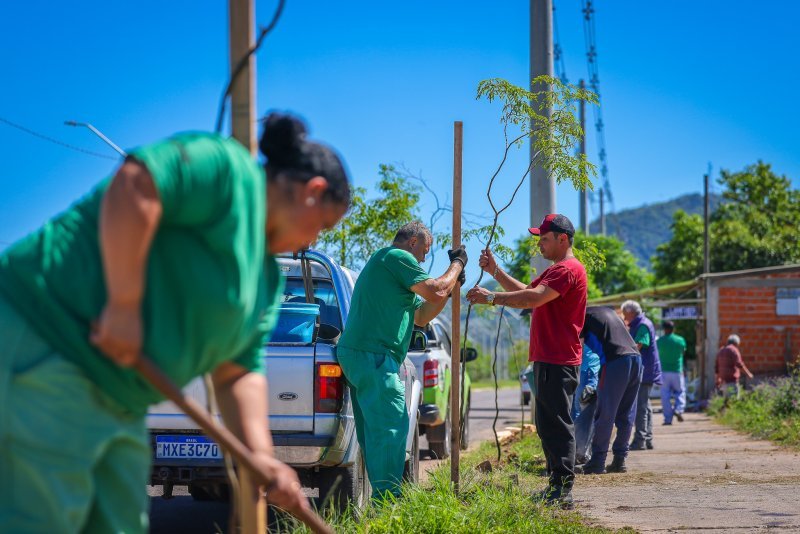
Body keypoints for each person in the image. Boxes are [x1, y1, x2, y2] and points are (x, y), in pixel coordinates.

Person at [0, 113, 349, 532]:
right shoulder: (227, 173)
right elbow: (137, 183)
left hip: (119, 395)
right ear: (312, 192)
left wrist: (260, 456)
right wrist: (124, 305)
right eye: (322, 225)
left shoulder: (264, 280)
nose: (312, 240)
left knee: (119, 521)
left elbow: (240, 373)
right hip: (47, 335)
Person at [337, 221, 466, 499]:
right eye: (424, 251)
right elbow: (435, 289)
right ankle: (388, 508)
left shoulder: (391, 271)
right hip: (374, 356)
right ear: (413, 242)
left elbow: (422, 316)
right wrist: (456, 266)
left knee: (375, 437)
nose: (423, 258)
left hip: (363, 355)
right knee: (391, 431)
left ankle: (380, 502)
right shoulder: (396, 257)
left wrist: (451, 288)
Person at [467, 214, 587, 509]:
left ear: (562, 239)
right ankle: (556, 488)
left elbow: (532, 299)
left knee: (557, 425)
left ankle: (562, 491)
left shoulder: (566, 270)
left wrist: (491, 298)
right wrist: (496, 272)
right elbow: (527, 292)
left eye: (544, 239)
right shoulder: (556, 271)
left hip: (558, 359)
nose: (540, 245)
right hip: (550, 359)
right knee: (547, 425)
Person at [578, 306, 643, 475]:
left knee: (605, 412)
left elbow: (576, 346)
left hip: (615, 361)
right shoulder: (604, 311)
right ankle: (619, 461)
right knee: (626, 413)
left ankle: (597, 461)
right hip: (635, 358)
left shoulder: (579, 316)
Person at [621, 300, 662, 451]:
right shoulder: (641, 323)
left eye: (625, 315)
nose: (625, 318)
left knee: (640, 407)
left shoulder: (642, 325)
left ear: (631, 312)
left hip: (644, 370)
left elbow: (638, 345)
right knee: (646, 406)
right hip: (646, 369)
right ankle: (647, 438)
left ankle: (639, 440)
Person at [574, 343, 601, 466]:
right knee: (584, 412)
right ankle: (580, 452)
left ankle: (581, 452)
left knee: (582, 412)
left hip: (587, 370)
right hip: (587, 370)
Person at [657, 320, 687, 425]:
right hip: (677, 371)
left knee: (665, 395)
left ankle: (668, 419)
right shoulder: (680, 340)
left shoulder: (659, 341)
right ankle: (678, 410)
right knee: (680, 392)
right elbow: (683, 352)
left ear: (664, 329)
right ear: (673, 329)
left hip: (664, 371)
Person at [715, 334, 753, 399]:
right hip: (732, 382)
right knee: (733, 403)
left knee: (726, 404)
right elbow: (739, 364)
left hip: (723, 383)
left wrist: (717, 380)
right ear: (736, 343)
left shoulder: (721, 351)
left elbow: (716, 369)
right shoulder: (733, 350)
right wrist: (749, 374)